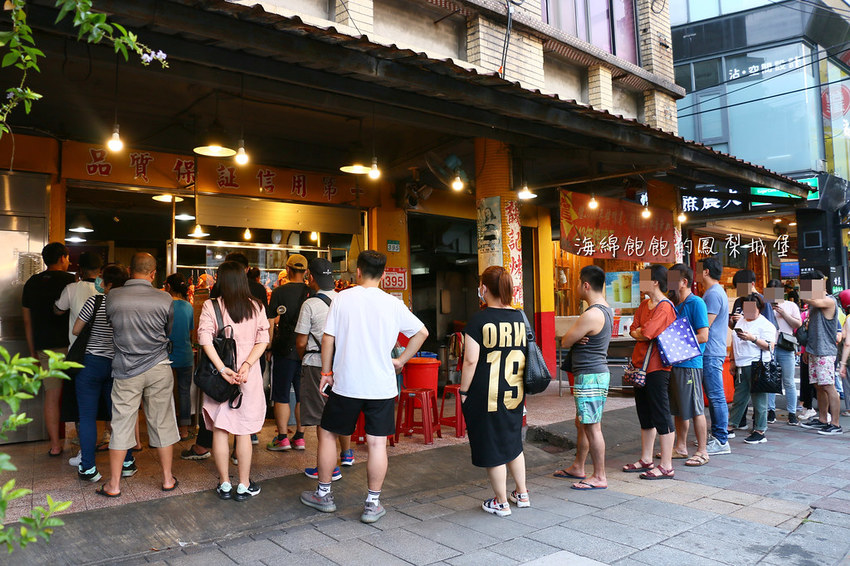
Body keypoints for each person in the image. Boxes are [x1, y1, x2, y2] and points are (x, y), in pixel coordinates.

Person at [300, 250, 428, 524]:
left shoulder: (342, 298)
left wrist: (326, 372)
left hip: (346, 384)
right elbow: (422, 332)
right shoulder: (392, 303)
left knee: (328, 434)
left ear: (358, 271)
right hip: (381, 386)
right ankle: (372, 503)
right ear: (383, 275)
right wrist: (401, 361)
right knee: (377, 443)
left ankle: (324, 494)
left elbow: (328, 338)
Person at [97, 252, 179, 497]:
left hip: (125, 368)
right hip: (159, 366)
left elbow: (112, 324)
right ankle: (167, 479)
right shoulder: (165, 298)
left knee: (121, 424)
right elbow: (168, 330)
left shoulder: (113, 296)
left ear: (129, 270)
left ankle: (114, 484)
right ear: (153, 274)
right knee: (162, 422)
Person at [457, 266, 530, 515]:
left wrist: (463, 392)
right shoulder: (520, 318)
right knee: (513, 441)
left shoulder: (479, 320)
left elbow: (470, 360)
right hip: (515, 392)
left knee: (493, 445)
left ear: (484, 288)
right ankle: (522, 493)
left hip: (486, 394)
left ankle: (501, 501)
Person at [198, 261, 270, 501]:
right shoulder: (256, 306)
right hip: (248, 377)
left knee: (221, 429)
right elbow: (263, 340)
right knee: (243, 431)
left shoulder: (211, 305)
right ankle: (244, 484)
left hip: (220, 378)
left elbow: (204, 339)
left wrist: (222, 369)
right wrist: (246, 365)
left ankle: (225, 484)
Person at [72, 264, 133, 482]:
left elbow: (76, 330)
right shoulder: (128, 305)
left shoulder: (95, 301)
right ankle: (127, 462)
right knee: (119, 415)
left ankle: (88, 468)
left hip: (91, 364)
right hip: (117, 365)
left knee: (87, 416)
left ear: (107, 283)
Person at [554, 265, 613, 490]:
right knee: (582, 423)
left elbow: (565, 340)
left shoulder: (592, 314)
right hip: (594, 374)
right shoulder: (606, 309)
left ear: (586, 285)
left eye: (578, 283)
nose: (577, 286)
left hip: (590, 376)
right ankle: (578, 466)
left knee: (591, 426)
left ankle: (599, 476)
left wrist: (575, 337)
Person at [294, 258, 353, 481]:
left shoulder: (310, 304)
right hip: (342, 366)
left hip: (316, 366)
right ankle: (345, 455)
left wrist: (305, 357)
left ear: (311, 277)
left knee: (321, 418)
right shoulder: (344, 300)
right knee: (340, 411)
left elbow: (301, 342)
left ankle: (327, 468)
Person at [622, 265, 677, 480]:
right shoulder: (644, 304)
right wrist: (641, 332)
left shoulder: (665, 307)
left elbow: (646, 333)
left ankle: (666, 465)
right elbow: (634, 330)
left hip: (657, 367)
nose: (640, 282)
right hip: (640, 365)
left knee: (661, 413)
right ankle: (646, 459)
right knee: (644, 413)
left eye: (644, 278)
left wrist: (641, 332)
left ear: (655, 281)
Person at [22, 242, 75, 457]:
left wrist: (32, 351)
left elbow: (27, 321)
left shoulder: (31, 283)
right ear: (62, 258)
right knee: (78, 394)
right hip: (71, 346)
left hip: (45, 347)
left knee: (51, 396)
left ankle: (55, 445)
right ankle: (81, 441)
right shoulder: (72, 281)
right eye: (68, 257)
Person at [267, 254, 311, 451]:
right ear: (306, 272)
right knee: (302, 395)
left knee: (281, 394)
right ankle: (300, 437)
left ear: (288, 269)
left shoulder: (279, 292)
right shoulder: (312, 292)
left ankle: (283, 438)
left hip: (284, 348)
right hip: (306, 350)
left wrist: (269, 346)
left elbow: (270, 322)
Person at [667, 264, 710, 467]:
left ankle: (702, 451)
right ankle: (681, 447)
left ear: (684, 282)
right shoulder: (674, 304)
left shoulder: (697, 303)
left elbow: (704, 335)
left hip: (691, 363)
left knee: (695, 408)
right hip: (675, 362)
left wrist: (674, 341)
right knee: (679, 408)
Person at [798, 271, 843, 435]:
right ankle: (823, 419)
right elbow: (812, 328)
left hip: (825, 352)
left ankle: (836, 424)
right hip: (814, 350)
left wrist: (805, 292)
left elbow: (811, 300)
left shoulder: (829, 301)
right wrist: (807, 350)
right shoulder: (814, 303)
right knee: (818, 386)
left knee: (829, 386)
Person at [728, 294, 776, 444]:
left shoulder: (766, 324)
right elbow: (734, 342)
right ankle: (731, 425)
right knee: (739, 397)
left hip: (758, 364)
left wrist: (752, 338)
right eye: (745, 308)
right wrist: (733, 361)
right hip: (741, 364)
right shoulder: (741, 321)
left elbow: (770, 346)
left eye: (751, 309)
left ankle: (760, 430)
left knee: (759, 400)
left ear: (759, 308)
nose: (747, 312)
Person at [698, 258, 731, 455]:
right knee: (714, 396)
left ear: (706, 272)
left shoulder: (713, 294)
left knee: (716, 396)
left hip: (711, 351)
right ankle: (719, 437)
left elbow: (705, 325)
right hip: (713, 350)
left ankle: (720, 440)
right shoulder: (715, 292)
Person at [765, 279, 802, 426]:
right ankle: (770, 410)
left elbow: (797, 324)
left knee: (789, 381)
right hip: (769, 346)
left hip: (786, 347)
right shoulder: (764, 306)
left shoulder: (791, 305)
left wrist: (784, 313)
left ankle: (792, 413)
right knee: (770, 380)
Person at [165, 273, 195, 440]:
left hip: (166, 355)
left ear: (168, 287)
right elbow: (190, 332)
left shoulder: (165, 305)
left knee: (165, 393)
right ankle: (184, 430)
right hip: (186, 354)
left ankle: (167, 430)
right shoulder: (188, 306)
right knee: (184, 392)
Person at [55, 251, 103, 347]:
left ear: (80, 270)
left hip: (77, 349)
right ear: (100, 270)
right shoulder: (108, 290)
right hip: (102, 350)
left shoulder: (71, 288)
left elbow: (58, 311)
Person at [837, 290, 850, 417]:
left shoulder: (848, 319)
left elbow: (847, 342)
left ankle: (849, 409)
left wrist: (843, 363)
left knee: (847, 383)